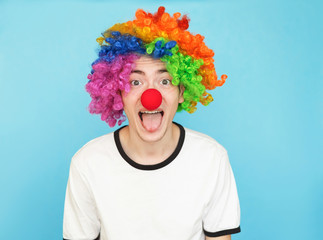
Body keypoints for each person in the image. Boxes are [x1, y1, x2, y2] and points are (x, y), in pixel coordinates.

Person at [63, 6, 241, 240]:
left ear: (181, 92)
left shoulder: (211, 158)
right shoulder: (87, 163)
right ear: (118, 94)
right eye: (136, 82)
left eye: (165, 80)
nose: (151, 96)